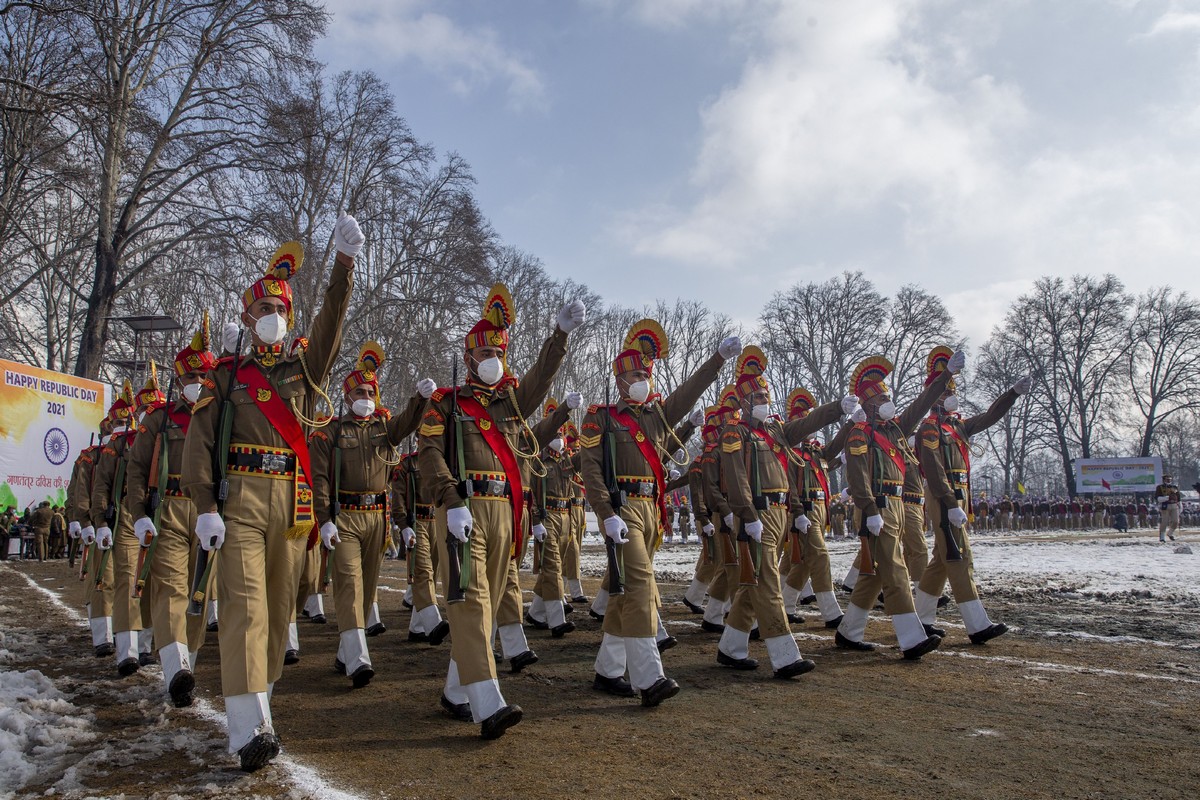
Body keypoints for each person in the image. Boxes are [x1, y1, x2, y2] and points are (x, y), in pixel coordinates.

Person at [182, 218, 363, 771]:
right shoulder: (226, 377)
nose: (272, 318)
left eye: (279, 311)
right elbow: (198, 444)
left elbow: (331, 324)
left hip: (292, 504)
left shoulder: (305, 368)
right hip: (239, 501)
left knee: (280, 612)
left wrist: (343, 266)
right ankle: (247, 728)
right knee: (245, 609)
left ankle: (261, 703)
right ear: (246, 316)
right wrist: (206, 506)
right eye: (263, 310)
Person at [419, 282, 585, 738]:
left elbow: (542, 378)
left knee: (486, 608)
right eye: (485, 350)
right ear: (469, 357)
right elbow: (429, 455)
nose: (494, 357)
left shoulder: (511, 403)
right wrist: (449, 500)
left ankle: (456, 692)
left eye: (500, 350)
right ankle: (487, 703)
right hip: (462, 511)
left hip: (503, 515)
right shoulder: (446, 404)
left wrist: (559, 336)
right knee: (471, 603)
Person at [580, 319, 739, 705]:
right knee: (640, 585)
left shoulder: (656, 415)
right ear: (620, 379)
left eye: (647, 374)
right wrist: (604, 512)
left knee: (624, 594)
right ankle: (649, 678)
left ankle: (607, 670)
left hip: (652, 509)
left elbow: (689, 391)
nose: (644, 379)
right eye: (637, 373)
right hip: (622, 510)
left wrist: (716, 359)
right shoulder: (600, 417)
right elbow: (591, 469)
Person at [715, 347, 858, 678]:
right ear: (745, 402)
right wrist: (748, 516)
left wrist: (837, 409)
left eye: (766, 395)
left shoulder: (776, 432)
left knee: (753, 586)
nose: (765, 400)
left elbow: (805, 426)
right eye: (758, 397)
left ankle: (730, 647)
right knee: (767, 581)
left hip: (779, 514)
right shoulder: (736, 432)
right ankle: (784, 655)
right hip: (758, 515)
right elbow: (736, 480)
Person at [310, 342, 430, 688]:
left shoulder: (383, 427)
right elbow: (319, 478)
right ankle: (359, 658)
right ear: (346, 396)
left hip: (376, 517)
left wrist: (418, 400)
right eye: (360, 391)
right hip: (344, 514)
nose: (366, 396)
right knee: (348, 582)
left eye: (371, 391)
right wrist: (324, 518)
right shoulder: (329, 430)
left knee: (365, 590)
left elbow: (407, 424)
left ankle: (344, 651)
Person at [125, 313, 217, 706]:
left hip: (208, 509)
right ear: (178, 382)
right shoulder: (160, 420)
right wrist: (138, 511)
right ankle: (176, 667)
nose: (196, 385)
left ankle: (187, 667)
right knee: (171, 588)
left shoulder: (219, 416)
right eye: (189, 379)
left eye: (203, 378)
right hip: (169, 509)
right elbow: (135, 468)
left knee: (199, 592)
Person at [913, 346, 1031, 644]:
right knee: (959, 556)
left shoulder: (957, 425)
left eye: (952, 390)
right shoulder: (928, 428)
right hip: (943, 495)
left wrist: (1012, 394)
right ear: (933, 396)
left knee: (941, 559)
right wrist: (951, 504)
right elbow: (934, 469)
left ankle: (921, 620)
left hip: (958, 494)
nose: (949, 395)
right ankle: (977, 624)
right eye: (943, 391)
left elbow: (990, 416)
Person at [836, 356, 941, 660]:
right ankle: (911, 637)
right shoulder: (859, 433)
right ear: (869, 403)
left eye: (889, 397)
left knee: (874, 576)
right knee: (895, 568)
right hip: (877, 508)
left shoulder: (893, 431)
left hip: (895, 506)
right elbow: (857, 476)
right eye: (883, 397)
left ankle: (848, 631)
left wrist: (942, 377)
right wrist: (868, 510)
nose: (888, 402)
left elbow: (920, 406)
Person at [779, 387, 853, 629]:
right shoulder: (790, 452)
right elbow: (790, 485)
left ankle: (785, 606)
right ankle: (830, 611)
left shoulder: (812, 451)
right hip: (805, 511)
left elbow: (831, 452)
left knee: (800, 563)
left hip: (819, 510)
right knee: (819, 557)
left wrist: (849, 425)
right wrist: (798, 513)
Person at [89, 380, 138, 673]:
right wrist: (95, 521)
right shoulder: (107, 451)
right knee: (118, 579)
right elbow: (98, 487)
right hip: (121, 516)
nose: (121, 425)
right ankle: (124, 646)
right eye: (118, 421)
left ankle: (143, 644)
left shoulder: (147, 439)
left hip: (153, 514)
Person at [1156, 473, 1181, 542]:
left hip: (1174, 505)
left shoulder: (1174, 487)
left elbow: (1178, 498)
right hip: (1165, 505)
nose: (1169, 481)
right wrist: (1167, 498)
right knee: (1164, 522)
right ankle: (1162, 537)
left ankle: (1170, 533)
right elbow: (1158, 498)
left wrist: (1180, 506)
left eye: (1170, 479)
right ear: (1164, 480)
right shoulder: (1160, 487)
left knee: (1176, 521)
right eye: (1167, 479)